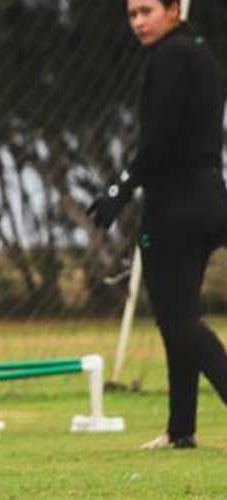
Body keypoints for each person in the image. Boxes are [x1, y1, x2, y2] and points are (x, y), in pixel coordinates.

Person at [87, 0, 227, 449]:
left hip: (175, 208)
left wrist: (119, 190)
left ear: (173, 9)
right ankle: (180, 428)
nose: (139, 22)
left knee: (180, 320)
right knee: (177, 317)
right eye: (132, 14)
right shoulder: (201, 52)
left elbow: (159, 140)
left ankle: (183, 426)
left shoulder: (168, 57)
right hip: (210, 198)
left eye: (147, 11)